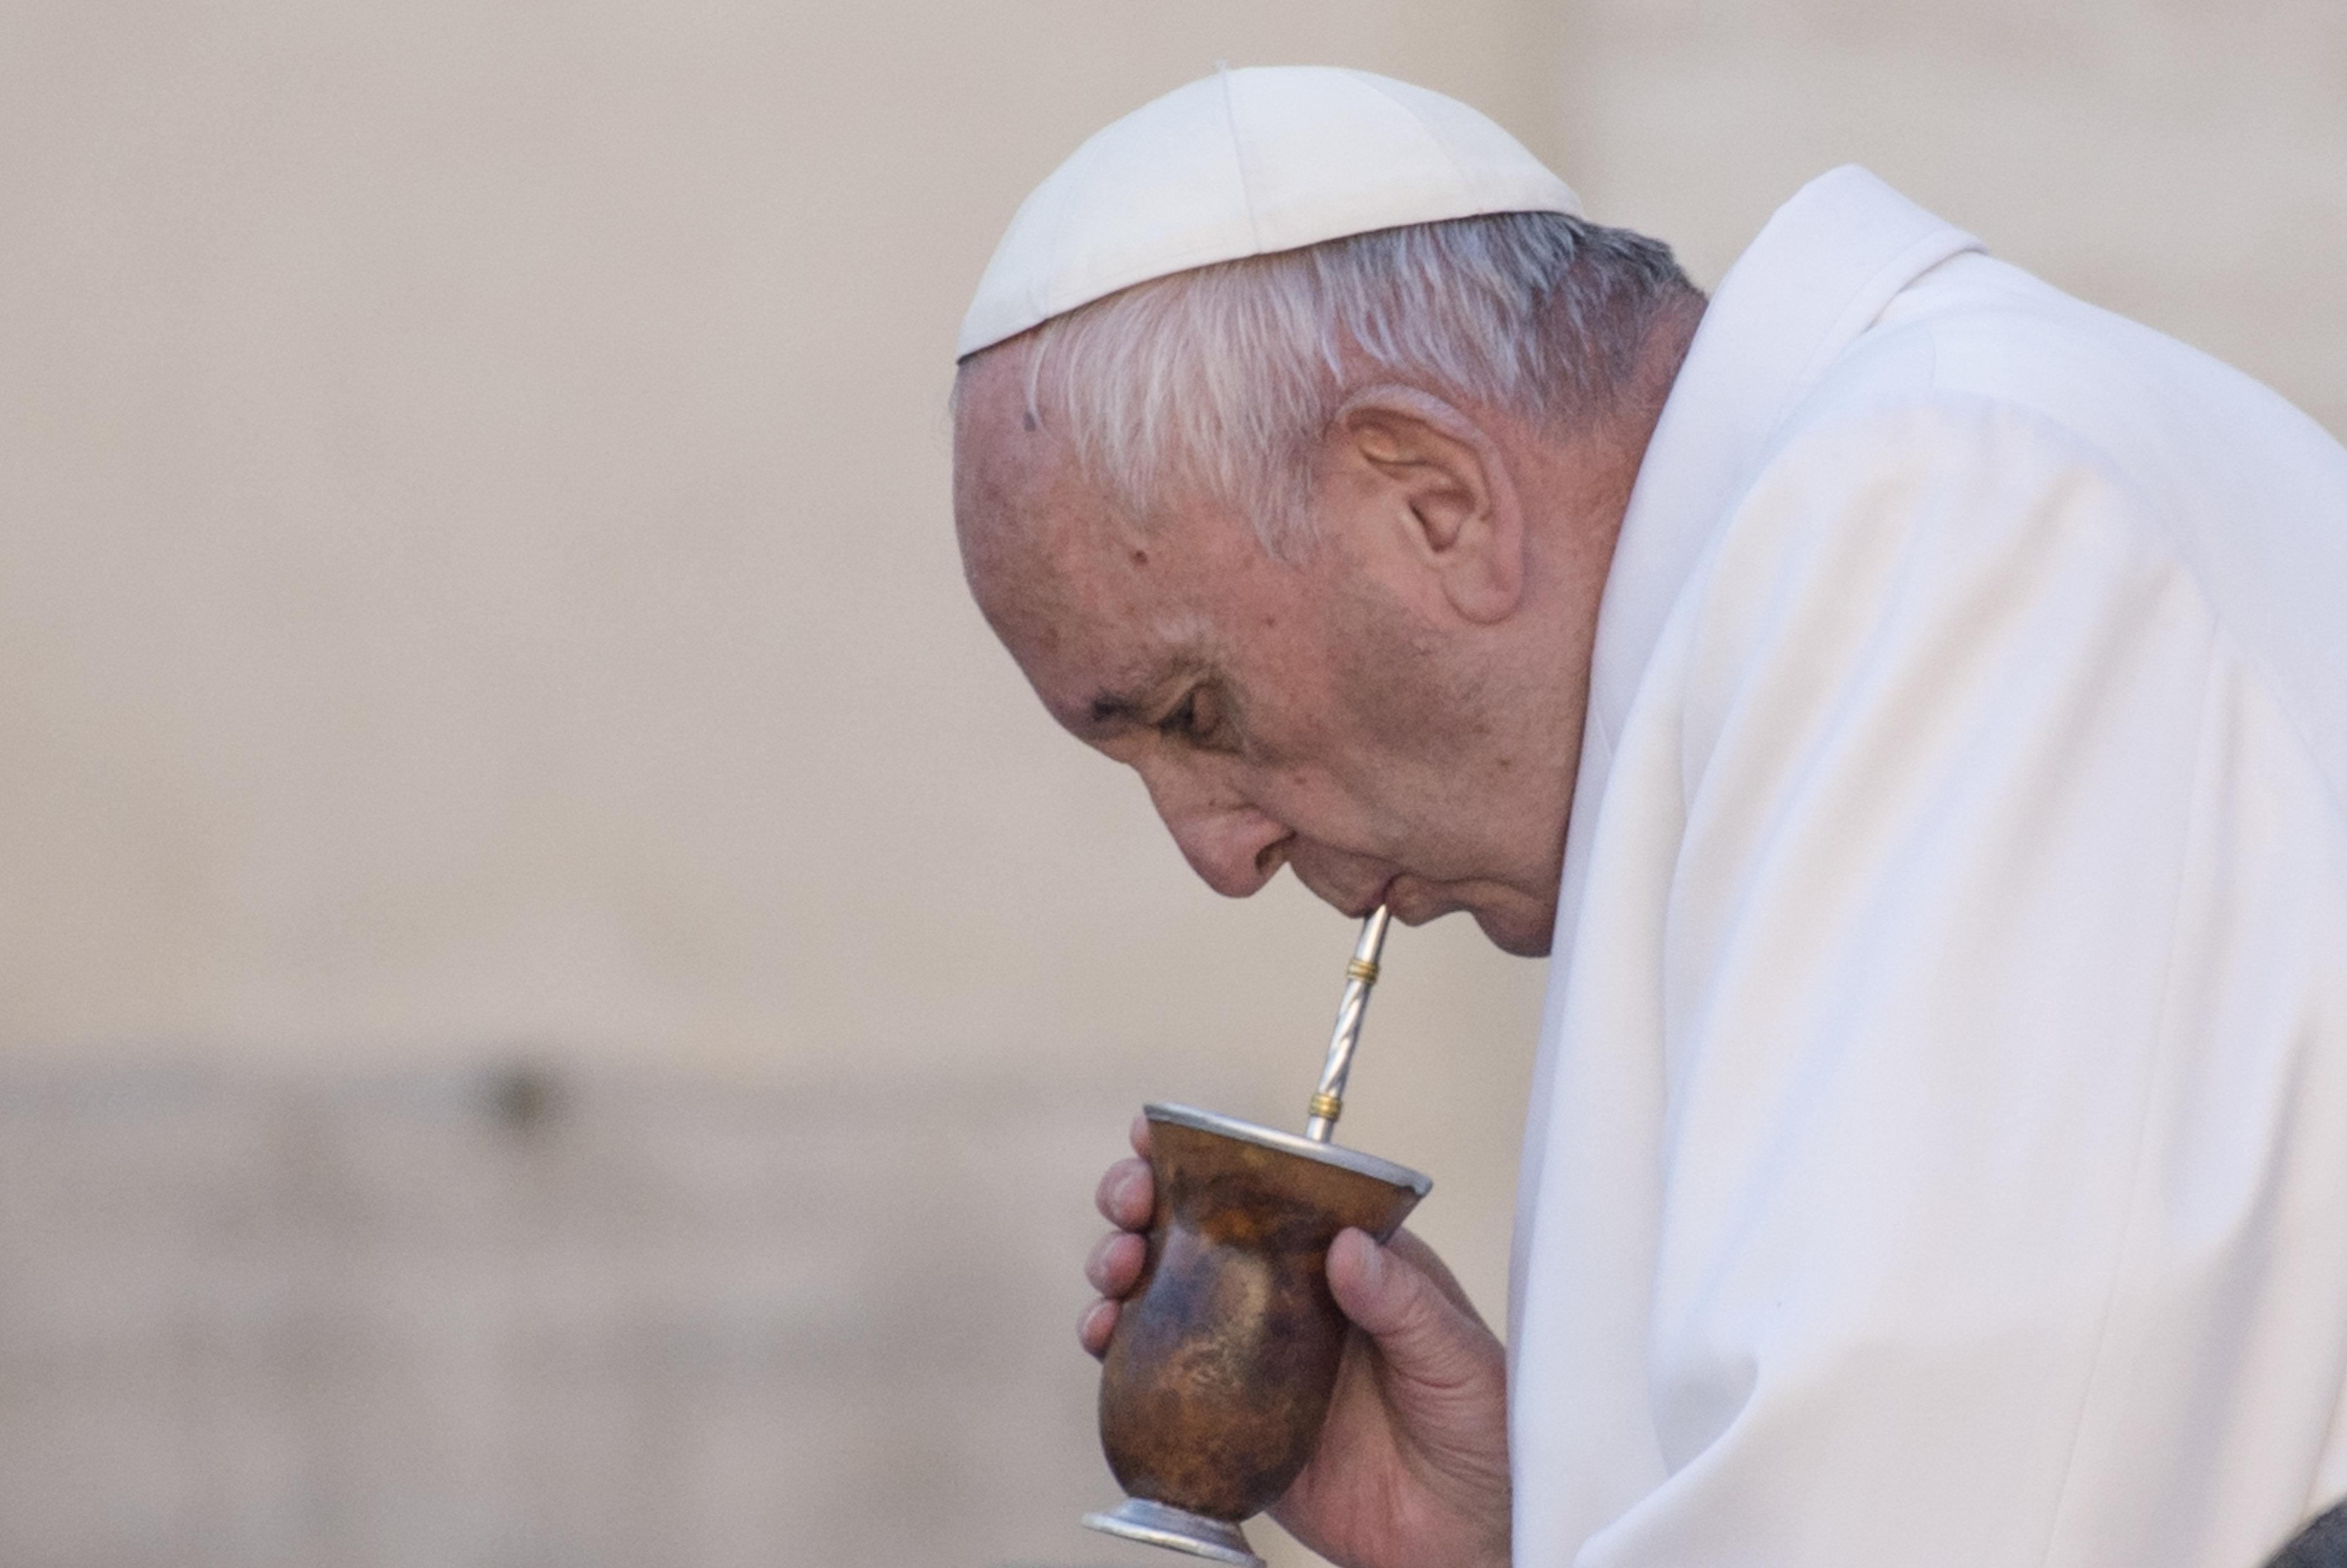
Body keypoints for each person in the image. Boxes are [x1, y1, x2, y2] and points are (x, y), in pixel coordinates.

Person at [950, 66, 2347, 1568]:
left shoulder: (1938, 524)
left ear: (1431, 499)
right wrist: (1510, 1533)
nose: (1221, 855)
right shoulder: (1894, 509)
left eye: (1192, 713)